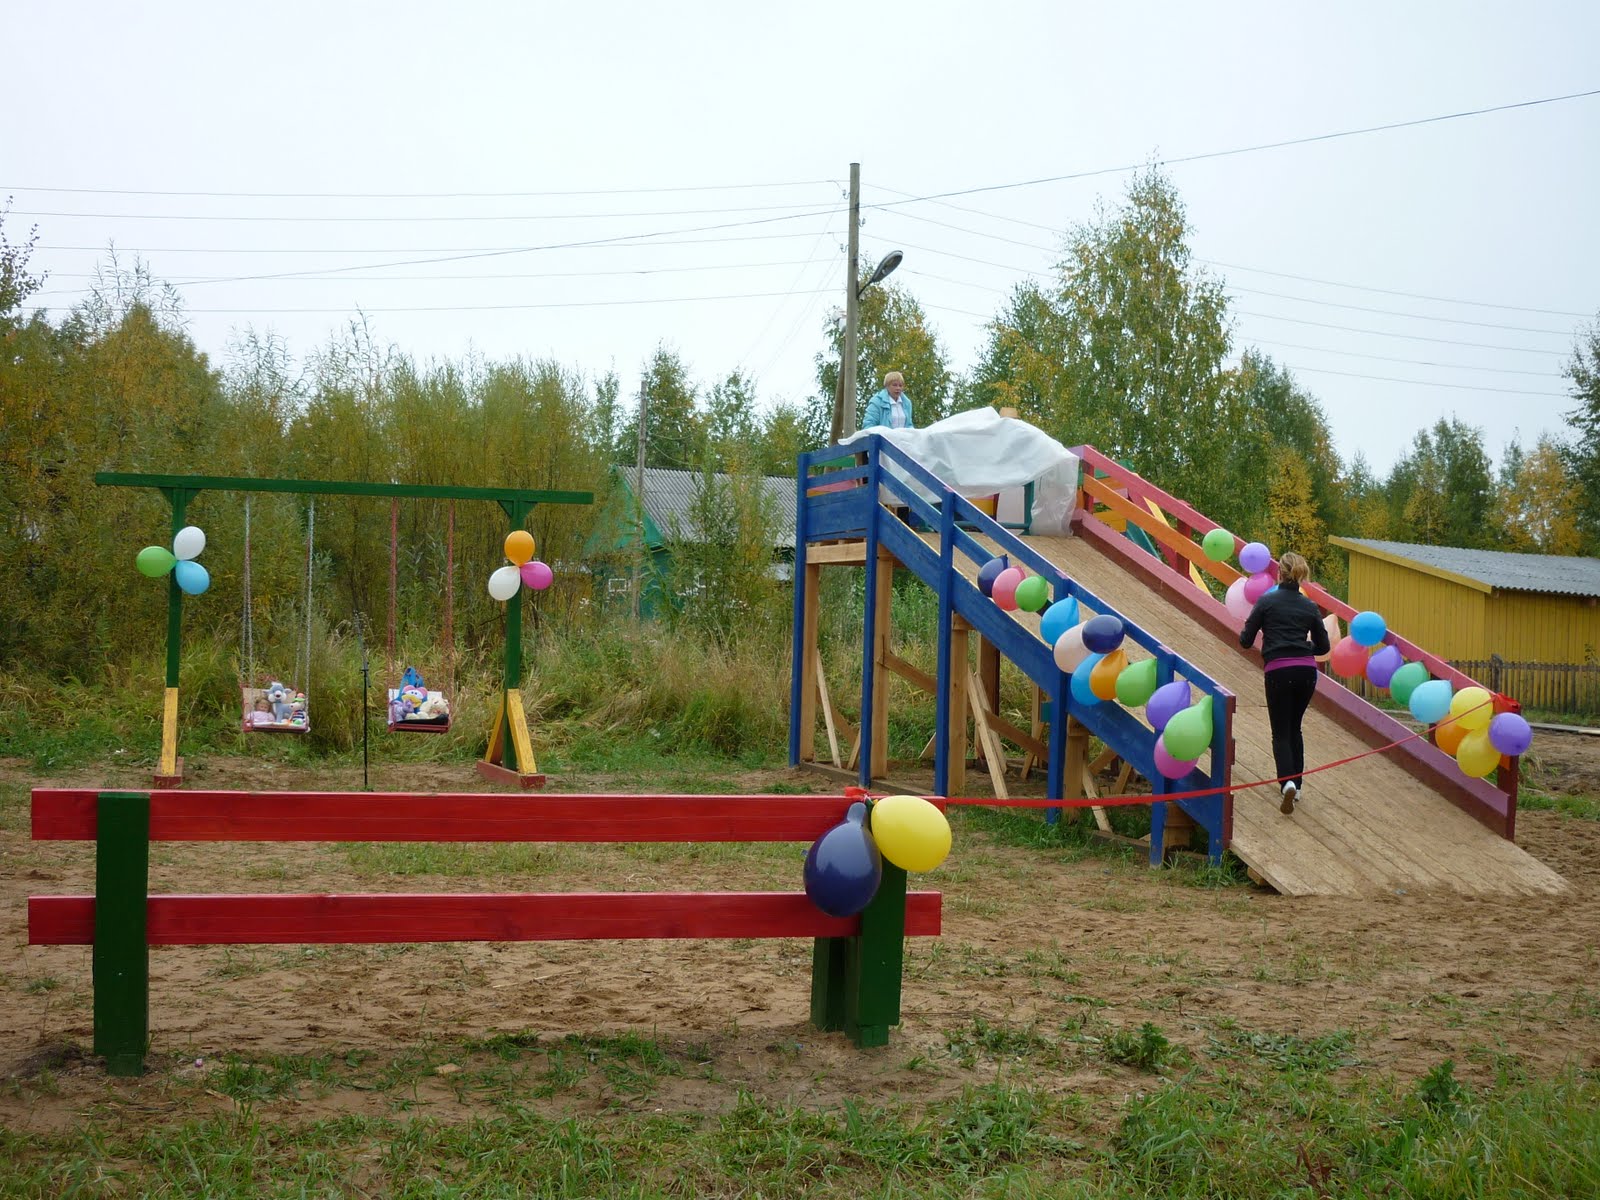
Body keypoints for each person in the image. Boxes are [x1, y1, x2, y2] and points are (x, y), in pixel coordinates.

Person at [1238, 552, 1330, 815]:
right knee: (1294, 728)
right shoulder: (1309, 606)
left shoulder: (1267, 601)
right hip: (1306, 672)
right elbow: (1323, 646)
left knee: (1280, 731)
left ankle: (1286, 782)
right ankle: (1297, 786)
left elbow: (1245, 640)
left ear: (1279, 573)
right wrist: (1302, 646)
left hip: (1278, 670)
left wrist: (1269, 639)